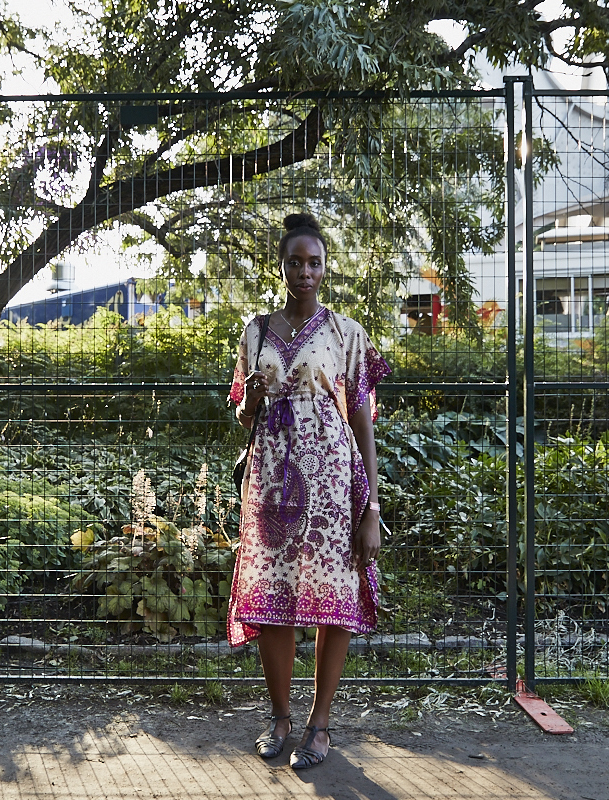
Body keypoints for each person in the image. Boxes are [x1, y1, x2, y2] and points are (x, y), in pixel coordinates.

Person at [227, 212, 390, 770]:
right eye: (295, 262)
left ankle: (320, 725)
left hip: (331, 485)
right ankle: (280, 718)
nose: (305, 272)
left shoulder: (347, 333)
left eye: (314, 262)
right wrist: (250, 396)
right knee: (273, 601)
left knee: (330, 601)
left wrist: (371, 506)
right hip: (270, 485)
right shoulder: (255, 331)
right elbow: (245, 418)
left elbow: (363, 423)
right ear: (281, 266)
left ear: (325, 267)